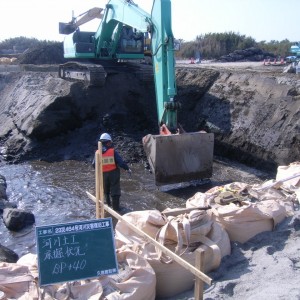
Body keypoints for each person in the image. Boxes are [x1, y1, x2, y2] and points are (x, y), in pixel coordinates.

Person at [94, 133, 131, 211]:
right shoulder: (112, 151)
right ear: (108, 142)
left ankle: (108, 206)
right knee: (115, 191)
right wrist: (127, 169)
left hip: (103, 174)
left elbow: (94, 165)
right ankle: (116, 209)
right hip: (113, 174)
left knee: (106, 190)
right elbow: (120, 162)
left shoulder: (97, 153)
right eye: (110, 142)